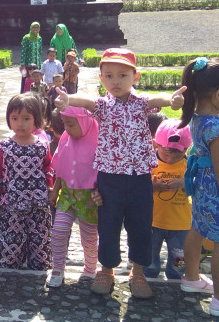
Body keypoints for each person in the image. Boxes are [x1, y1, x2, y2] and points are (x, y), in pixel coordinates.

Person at [55, 47, 186, 299]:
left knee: (140, 226)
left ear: (135, 77)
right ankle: (106, 270)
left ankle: (138, 272)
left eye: (123, 76)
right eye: (109, 76)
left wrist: (171, 99)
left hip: (139, 177)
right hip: (110, 178)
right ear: (102, 78)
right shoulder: (103, 106)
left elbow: (157, 99)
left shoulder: (141, 103)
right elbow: (87, 101)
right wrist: (67, 100)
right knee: (108, 224)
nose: (116, 81)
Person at [0, 94, 53, 270]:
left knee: (38, 239)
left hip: (38, 205)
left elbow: (48, 169)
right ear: (8, 119)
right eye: (14, 118)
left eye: (26, 119)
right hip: (11, 205)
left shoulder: (41, 145)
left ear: (36, 120)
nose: (19, 123)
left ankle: (38, 267)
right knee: (10, 240)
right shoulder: (5, 146)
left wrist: (50, 189)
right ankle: (7, 268)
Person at [178, 57, 219, 316]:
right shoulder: (216, 126)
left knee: (197, 229)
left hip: (201, 185)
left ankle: (191, 278)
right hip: (215, 188)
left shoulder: (197, 118)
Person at [47, 106, 99, 286]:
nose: (67, 129)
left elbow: (103, 171)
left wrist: (100, 192)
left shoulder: (99, 139)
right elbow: (61, 165)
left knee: (89, 238)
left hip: (90, 199)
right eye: (65, 124)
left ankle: (90, 268)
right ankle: (57, 269)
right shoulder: (65, 139)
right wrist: (55, 190)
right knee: (58, 231)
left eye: (70, 124)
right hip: (67, 195)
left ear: (84, 121)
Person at [142, 119, 192, 281]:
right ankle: (148, 276)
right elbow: (137, 186)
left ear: (186, 149)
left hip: (181, 223)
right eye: (166, 153)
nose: (170, 159)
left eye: (177, 154)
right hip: (153, 220)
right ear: (156, 144)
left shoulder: (189, 165)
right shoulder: (149, 162)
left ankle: (176, 278)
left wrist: (185, 183)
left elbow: (200, 185)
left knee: (179, 256)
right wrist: (152, 186)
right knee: (149, 254)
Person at [20, 22, 43, 91]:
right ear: (31, 28)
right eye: (34, 27)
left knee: (37, 79)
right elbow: (23, 51)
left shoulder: (39, 38)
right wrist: (22, 64)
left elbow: (39, 52)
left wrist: (40, 64)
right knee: (26, 80)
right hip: (28, 64)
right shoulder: (26, 38)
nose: (35, 29)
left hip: (37, 64)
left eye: (37, 27)